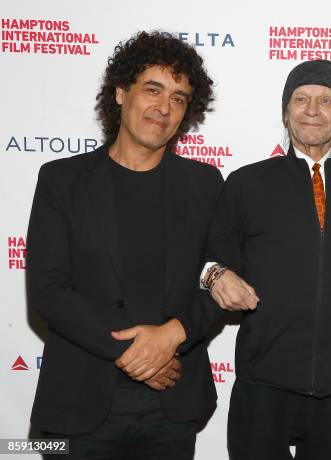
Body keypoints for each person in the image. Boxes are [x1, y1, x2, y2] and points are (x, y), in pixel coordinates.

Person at [27, 31, 224, 459]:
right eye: (153, 89)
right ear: (120, 93)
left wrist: (173, 334)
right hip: (78, 404)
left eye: (178, 98)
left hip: (172, 405)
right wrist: (135, 354)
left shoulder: (205, 185)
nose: (164, 107)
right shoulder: (62, 181)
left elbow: (220, 278)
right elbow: (48, 287)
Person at [204, 59, 331, 460]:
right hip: (262, 386)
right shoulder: (246, 183)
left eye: (326, 100)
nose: (313, 109)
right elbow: (210, 258)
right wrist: (214, 275)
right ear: (285, 111)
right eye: (301, 99)